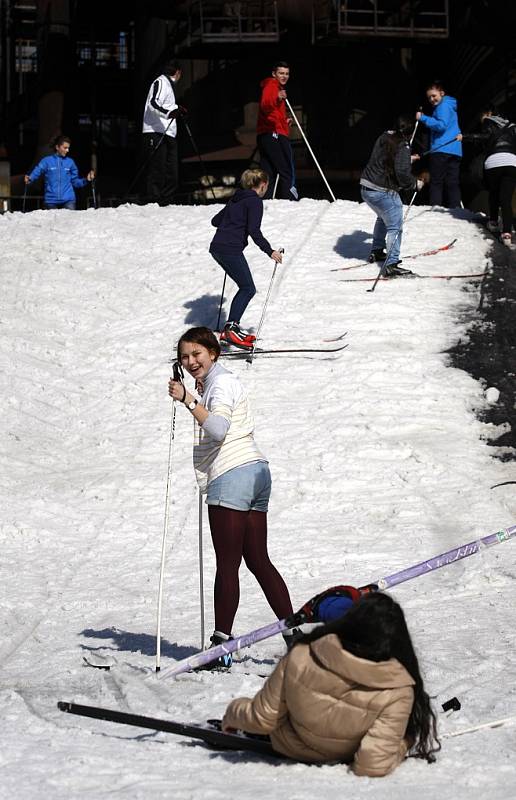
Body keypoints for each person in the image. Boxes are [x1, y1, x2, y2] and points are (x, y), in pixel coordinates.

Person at [168, 327, 296, 668]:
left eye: (197, 354)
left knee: (228, 563)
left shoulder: (220, 384)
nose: (191, 361)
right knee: (258, 560)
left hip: (232, 474)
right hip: (256, 471)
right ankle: (295, 636)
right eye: (185, 357)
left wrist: (188, 399)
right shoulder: (218, 382)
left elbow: (219, 429)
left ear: (213, 353)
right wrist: (196, 394)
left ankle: (220, 647)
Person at [222, 592, 441, 775]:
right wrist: (404, 743)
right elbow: (371, 763)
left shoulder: (302, 654)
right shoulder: (399, 689)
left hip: (292, 745)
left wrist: (233, 714)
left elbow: (262, 717)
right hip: (348, 751)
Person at [209, 168, 283, 349]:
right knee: (248, 288)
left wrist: (233, 219)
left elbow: (215, 221)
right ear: (263, 185)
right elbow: (254, 231)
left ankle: (232, 328)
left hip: (217, 247)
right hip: (230, 249)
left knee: (245, 287)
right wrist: (270, 251)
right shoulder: (254, 202)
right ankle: (231, 328)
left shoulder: (236, 198)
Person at [360, 114, 424, 278]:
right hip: (382, 190)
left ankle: (377, 251)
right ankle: (391, 265)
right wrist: (414, 184)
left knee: (382, 216)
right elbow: (402, 173)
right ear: (409, 133)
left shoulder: (385, 136)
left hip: (366, 187)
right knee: (395, 225)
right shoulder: (403, 145)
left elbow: (384, 158)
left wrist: (406, 158)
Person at [458, 107, 516, 246]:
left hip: (494, 161)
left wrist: (465, 137)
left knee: (494, 194)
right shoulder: (512, 126)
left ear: (488, 114)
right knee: (506, 200)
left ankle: (494, 222)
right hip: (511, 162)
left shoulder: (488, 122)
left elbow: (483, 137)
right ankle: (507, 234)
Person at [142, 60, 184, 205]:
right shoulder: (161, 82)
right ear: (178, 72)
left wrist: (177, 109)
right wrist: (168, 113)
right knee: (157, 167)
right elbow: (152, 103)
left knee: (171, 169)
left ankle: (167, 199)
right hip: (155, 130)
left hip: (169, 132)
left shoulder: (169, 85)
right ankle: (154, 200)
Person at [256, 61, 298, 201]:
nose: (284, 76)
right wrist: (277, 96)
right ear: (274, 74)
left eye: (287, 74)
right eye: (281, 73)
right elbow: (265, 104)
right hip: (273, 133)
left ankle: (266, 199)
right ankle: (290, 200)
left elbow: (272, 113)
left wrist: (284, 121)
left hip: (267, 133)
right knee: (286, 168)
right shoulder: (272, 85)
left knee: (268, 171)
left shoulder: (274, 86)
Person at [416, 81, 462, 208]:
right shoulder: (450, 105)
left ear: (442, 93)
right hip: (455, 149)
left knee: (436, 181)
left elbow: (441, 125)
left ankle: (436, 207)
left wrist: (423, 118)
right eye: (429, 97)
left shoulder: (442, 106)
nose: (431, 99)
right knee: (452, 182)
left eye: (434, 95)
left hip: (441, 148)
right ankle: (456, 208)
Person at [24, 135, 95, 210]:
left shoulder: (70, 162)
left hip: (68, 200)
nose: (67, 150)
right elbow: (37, 170)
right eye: (65, 148)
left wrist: (86, 180)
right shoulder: (47, 161)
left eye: (68, 148)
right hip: (50, 200)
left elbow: (75, 182)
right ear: (57, 147)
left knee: (70, 221)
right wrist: (30, 178)